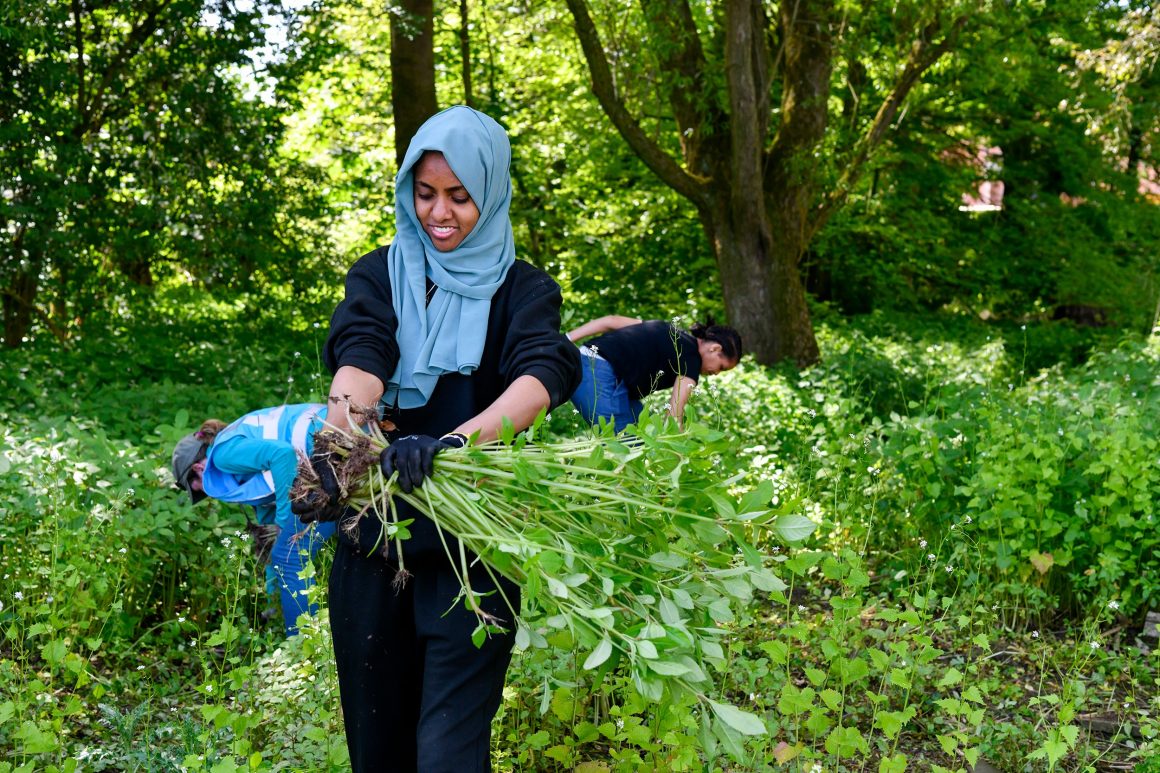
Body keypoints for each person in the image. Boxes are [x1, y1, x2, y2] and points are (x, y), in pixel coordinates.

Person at [321, 105, 580, 772]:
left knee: (446, 756)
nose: (441, 212)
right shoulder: (378, 274)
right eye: (426, 192)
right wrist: (343, 425)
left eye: (460, 197)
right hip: (376, 543)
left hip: (473, 553)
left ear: (490, 194)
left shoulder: (523, 290)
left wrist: (454, 445)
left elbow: (544, 371)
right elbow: (361, 352)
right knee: (379, 754)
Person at [170, 404, 343, 637]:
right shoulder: (237, 467)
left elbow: (282, 455)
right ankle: (283, 623)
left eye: (198, 488)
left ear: (199, 468)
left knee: (291, 558)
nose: (206, 494)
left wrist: (285, 519)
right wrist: (271, 602)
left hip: (333, 440)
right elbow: (270, 539)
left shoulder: (223, 454)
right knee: (285, 555)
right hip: (331, 454)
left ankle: (304, 648)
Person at [566, 315, 742, 432]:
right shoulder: (692, 359)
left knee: (645, 431)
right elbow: (674, 415)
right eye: (722, 367)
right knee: (625, 448)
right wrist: (676, 453)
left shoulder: (668, 330)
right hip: (597, 374)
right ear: (715, 348)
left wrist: (565, 340)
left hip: (585, 359)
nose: (717, 373)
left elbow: (610, 321)